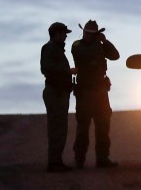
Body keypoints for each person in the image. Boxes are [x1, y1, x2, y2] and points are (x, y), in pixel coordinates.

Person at [71, 20, 120, 168]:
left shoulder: (100, 45)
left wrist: (105, 41)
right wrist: (98, 45)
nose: (88, 36)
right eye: (87, 33)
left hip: (100, 91)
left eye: (91, 34)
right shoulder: (77, 45)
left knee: (103, 126)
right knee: (83, 128)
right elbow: (83, 57)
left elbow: (115, 55)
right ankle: (79, 160)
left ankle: (102, 158)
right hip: (85, 91)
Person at [40, 22, 77, 173]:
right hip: (55, 92)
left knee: (60, 128)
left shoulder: (56, 49)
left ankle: (56, 161)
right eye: (63, 33)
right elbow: (46, 69)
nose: (65, 36)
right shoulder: (49, 48)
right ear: (56, 34)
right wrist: (68, 71)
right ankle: (54, 162)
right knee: (57, 128)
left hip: (59, 92)